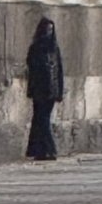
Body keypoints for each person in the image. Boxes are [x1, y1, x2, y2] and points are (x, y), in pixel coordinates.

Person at [25, 16, 64, 161]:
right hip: (39, 90)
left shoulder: (54, 49)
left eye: (51, 30)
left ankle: (47, 150)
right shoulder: (35, 48)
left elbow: (59, 71)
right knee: (40, 119)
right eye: (47, 29)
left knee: (43, 119)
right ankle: (43, 150)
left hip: (51, 91)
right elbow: (32, 70)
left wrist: (59, 92)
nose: (49, 32)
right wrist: (32, 89)